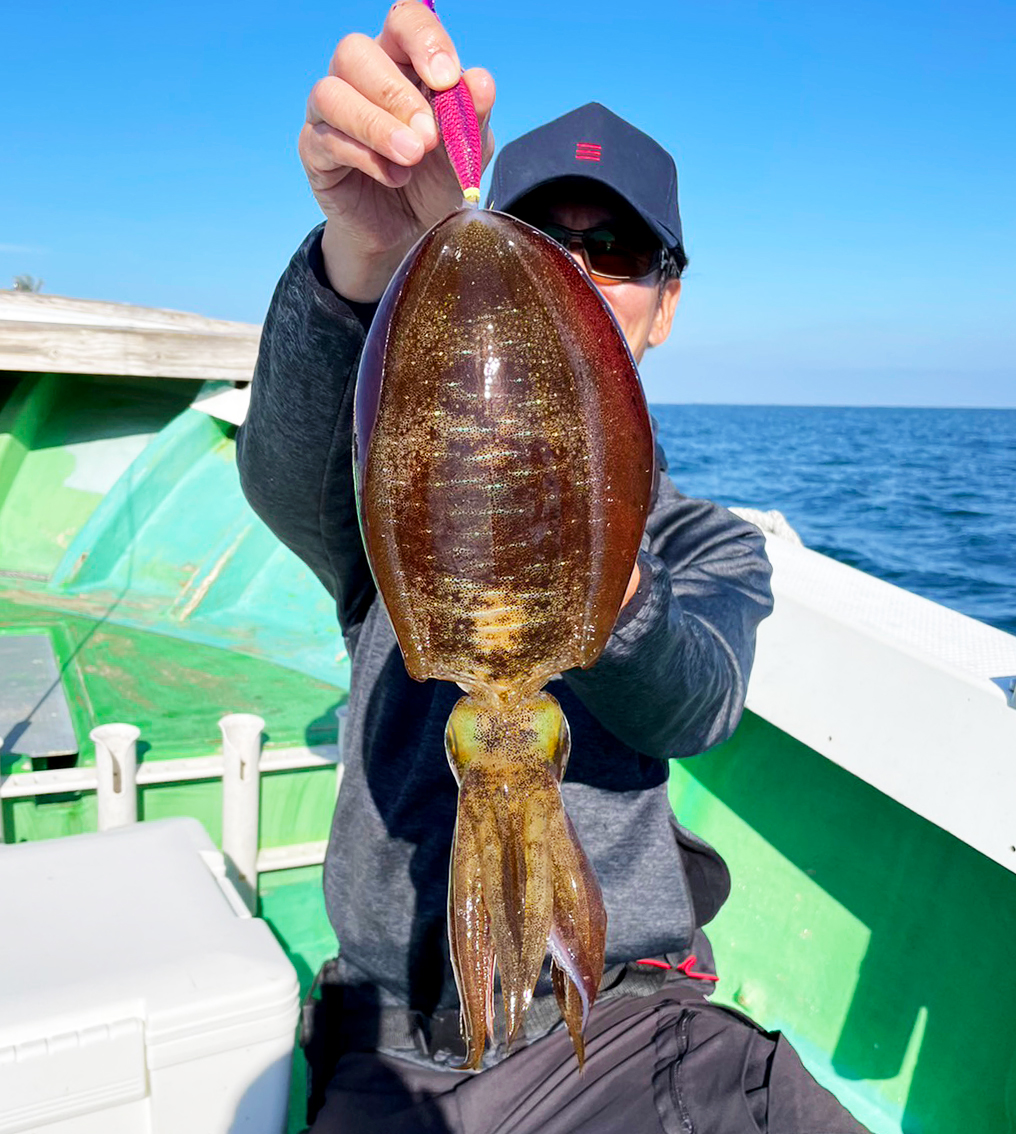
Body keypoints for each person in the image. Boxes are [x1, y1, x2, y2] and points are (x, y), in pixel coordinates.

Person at [236, 4, 870, 1131]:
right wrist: (363, 255)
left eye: (614, 251)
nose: (573, 270)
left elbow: (693, 697)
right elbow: (287, 469)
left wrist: (593, 565)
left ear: (663, 306)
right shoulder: (389, 498)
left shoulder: (702, 541)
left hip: (639, 1015)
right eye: (540, 240)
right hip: (401, 1036)